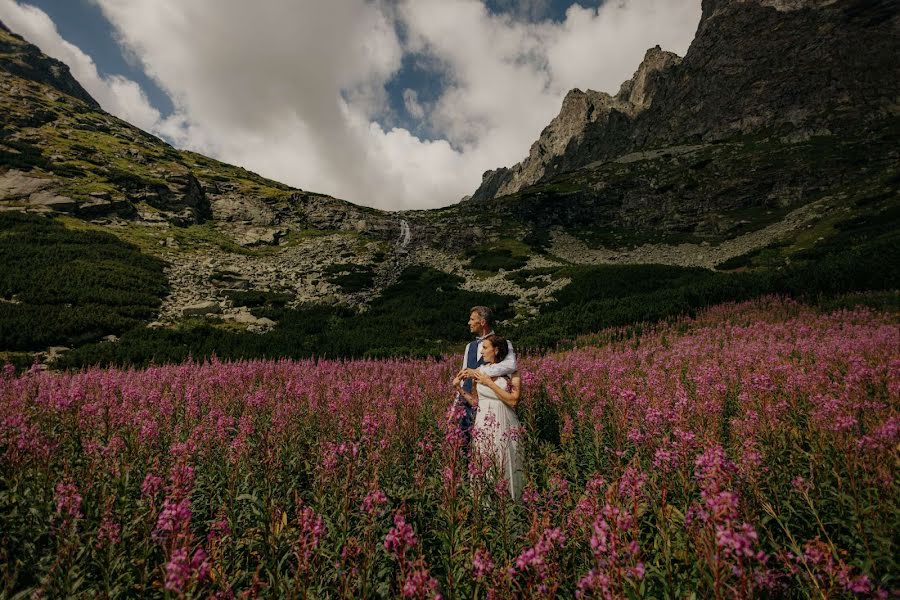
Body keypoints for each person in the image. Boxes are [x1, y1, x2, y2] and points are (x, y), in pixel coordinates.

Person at [453, 334, 524, 500]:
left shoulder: (512, 373)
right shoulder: (480, 371)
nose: (482, 352)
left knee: (505, 462)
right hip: (482, 424)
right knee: (484, 463)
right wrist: (459, 389)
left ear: (496, 349)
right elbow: (477, 402)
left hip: (505, 422)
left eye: (485, 348)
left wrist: (489, 383)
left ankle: (510, 504)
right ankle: (486, 507)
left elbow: (513, 400)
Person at [454, 306, 517, 450]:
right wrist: (455, 408)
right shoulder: (469, 347)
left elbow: (510, 366)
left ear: (482, 322)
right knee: (465, 447)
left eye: (472, 319)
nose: (469, 323)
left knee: (490, 448)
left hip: (490, 406)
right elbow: (464, 377)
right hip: (467, 404)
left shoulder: (503, 343)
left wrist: (478, 372)